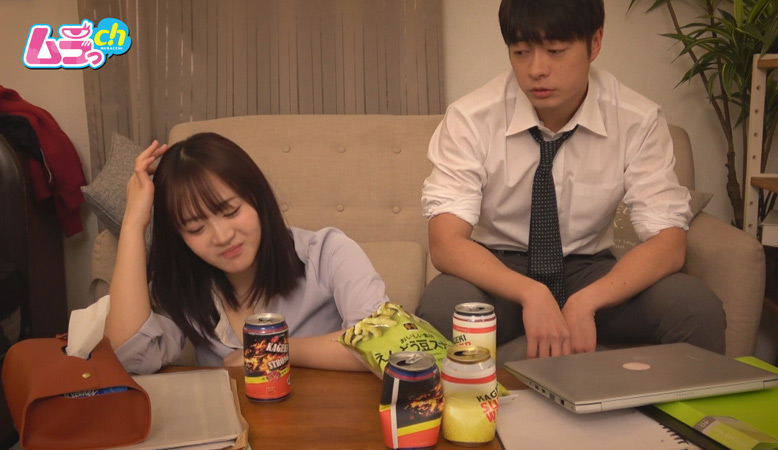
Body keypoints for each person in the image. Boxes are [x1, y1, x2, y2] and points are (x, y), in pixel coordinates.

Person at [416, 0, 725, 360]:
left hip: (590, 270)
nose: (536, 70)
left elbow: (668, 243)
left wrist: (588, 301)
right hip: (500, 271)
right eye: (521, 52)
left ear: (595, 43)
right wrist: (531, 293)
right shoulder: (471, 119)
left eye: (556, 51)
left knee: (695, 308)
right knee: (442, 307)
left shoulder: (636, 120)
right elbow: (446, 243)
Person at [105, 132, 387, 374]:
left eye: (231, 211)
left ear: (257, 199)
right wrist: (133, 224)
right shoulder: (185, 285)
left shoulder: (328, 253)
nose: (222, 237)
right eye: (196, 228)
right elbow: (130, 358)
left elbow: (385, 341)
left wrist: (269, 351)